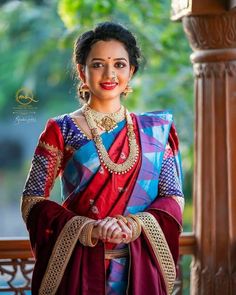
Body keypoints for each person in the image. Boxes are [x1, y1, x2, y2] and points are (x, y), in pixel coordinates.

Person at [21, 21, 184, 295]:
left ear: (131, 71)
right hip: (80, 268)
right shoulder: (61, 130)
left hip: (137, 270)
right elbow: (32, 201)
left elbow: (173, 198)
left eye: (119, 64)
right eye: (98, 64)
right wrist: (88, 228)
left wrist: (134, 224)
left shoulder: (154, 132)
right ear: (81, 71)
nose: (110, 73)